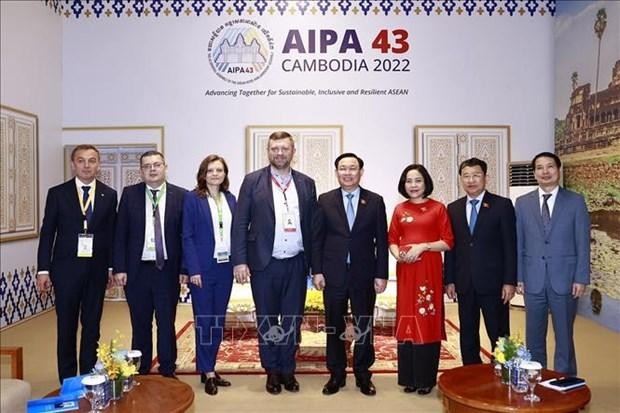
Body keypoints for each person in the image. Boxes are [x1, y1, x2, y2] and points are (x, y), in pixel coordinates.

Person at [231, 131, 317, 395]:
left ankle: (287, 370)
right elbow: (240, 223)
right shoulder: (252, 181)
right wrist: (240, 261)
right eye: (274, 149)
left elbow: (313, 227)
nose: (279, 153)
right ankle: (271, 370)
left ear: (293, 151)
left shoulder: (306, 183)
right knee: (267, 319)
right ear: (268, 151)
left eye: (284, 149)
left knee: (292, 320)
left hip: (296, 263)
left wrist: (315, 266)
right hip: (264, 263)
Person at [36, 144, 117, 383]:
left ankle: (89, 376)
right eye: (81, 161)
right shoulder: (57, 193)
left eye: (92, 161)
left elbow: (111, 234)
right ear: (73, 164)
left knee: (92, 326)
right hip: (65, 271)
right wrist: (43, 269)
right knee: (67, 327)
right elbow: (47, 233)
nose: (86, 165)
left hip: (96, 272)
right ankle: (69, 380)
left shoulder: (108, 194)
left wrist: (111, 267)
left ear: (98, 165)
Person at [312, 153, 388, 397]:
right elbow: (317, 239)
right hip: (333, 273)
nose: (347, 172)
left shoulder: (375, 201)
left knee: (364, 324)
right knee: (334, 325)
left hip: (364, 273)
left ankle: (363, 375)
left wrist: (381, 274)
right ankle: (336, 374)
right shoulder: (325, 200)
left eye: (352, 168)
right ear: (337, 172)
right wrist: (317, 270)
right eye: (342, 168)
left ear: (361, 172)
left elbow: (382, 241)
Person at [113, 150, 187, 378]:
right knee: (140, 324)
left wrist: (184, 269)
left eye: (157, 165)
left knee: (166, 323)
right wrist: (119, 267)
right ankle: (141, 369)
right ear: (141, 171)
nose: (152, 169)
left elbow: (186, 236)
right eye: (147, 166)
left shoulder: (181, 195)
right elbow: (120, 233)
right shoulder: (130, 194)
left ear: (165, 167)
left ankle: (168, 368)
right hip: (137, 271)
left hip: (167, 270)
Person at [515, 152, 590, 376]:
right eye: (539, 167)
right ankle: (536, 379)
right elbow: (519, 242)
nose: (545, 172)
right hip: (532, 278)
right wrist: (519, 276)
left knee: (564, 336)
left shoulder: (575, 201)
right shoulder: (522, 203)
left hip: (565, 280)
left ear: (559, 170)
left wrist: (581, 277)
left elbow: (583, 242)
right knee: (534, 336)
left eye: (550, 167)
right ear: (534, 172)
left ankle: (565, 382)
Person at [388, 164, 453, 395]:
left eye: (417, 181)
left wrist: (423, 246)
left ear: (425, 183)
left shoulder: (438, 208)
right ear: (403, 184)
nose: (413, 185)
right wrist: (398, 254)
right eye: (408, 181)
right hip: (406, 270)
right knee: (407, 318)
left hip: (429, 269)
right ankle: (409, 378)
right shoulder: (399, 209)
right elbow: (392, 239)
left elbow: (447, 241)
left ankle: (426, 379)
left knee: (426, 317)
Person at [443, 158, 516, 364]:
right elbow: (451, 248)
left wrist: (509, 281)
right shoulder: (453, 208)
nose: (471, 180)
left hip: (494, 282)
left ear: (486, 178)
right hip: (464, 282)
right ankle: (471, 374)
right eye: (466, 176)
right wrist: (449, 279)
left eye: (476, 175)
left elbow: (510, 246)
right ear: (461, 179)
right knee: (467, 333)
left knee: (499, 333)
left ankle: (504, 373)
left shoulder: (502, 205)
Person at [182, 154, 235, 395]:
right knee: (204, 320)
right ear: (203, 173)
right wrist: (192, 269)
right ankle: (208, 370)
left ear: (225, 174)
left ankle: (209, 366)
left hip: (225, 267)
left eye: (220, 170)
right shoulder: (193, 199)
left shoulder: (231, 199)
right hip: (202, 270)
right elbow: (187, 236)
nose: (215, 174)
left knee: (218, 321)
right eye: (211, 170)